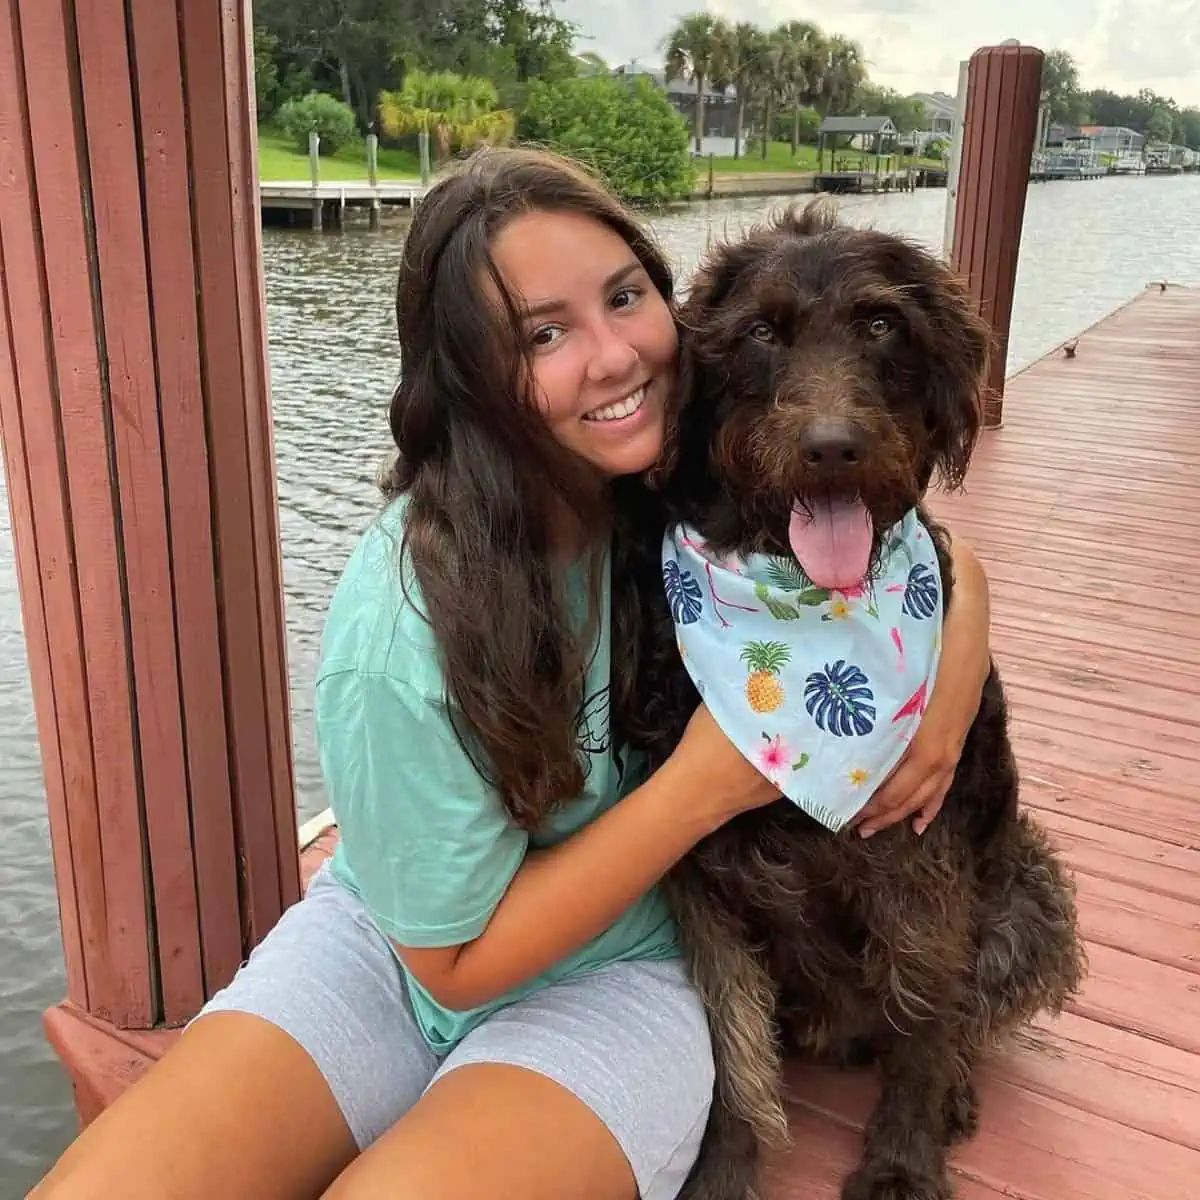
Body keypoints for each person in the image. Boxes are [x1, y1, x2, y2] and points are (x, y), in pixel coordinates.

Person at [31, 146, 994, 1200]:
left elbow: (919, 567)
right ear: (470, 377)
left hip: (623, 972)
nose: (615, 355)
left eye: (626, 297)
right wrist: (704, 786)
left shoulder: (681, 493)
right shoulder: (404, 618)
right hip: (394, 948)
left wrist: (947, 701)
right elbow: (447, 960)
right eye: (544, 333)